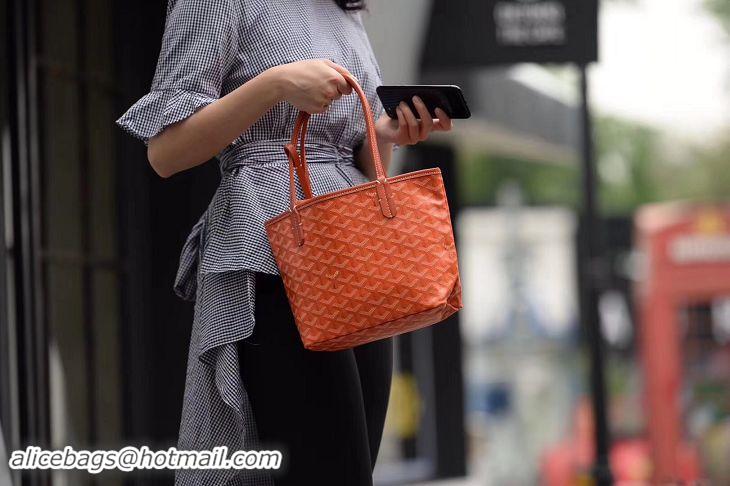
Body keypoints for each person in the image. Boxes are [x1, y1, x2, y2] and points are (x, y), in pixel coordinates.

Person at [116, 0, 452, 484]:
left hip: (356, 255)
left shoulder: (344, 9)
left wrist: (385, 133)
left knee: (353, 467)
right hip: (272, 248)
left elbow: (350, 155)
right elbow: (165, 151)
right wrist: (276, 85)